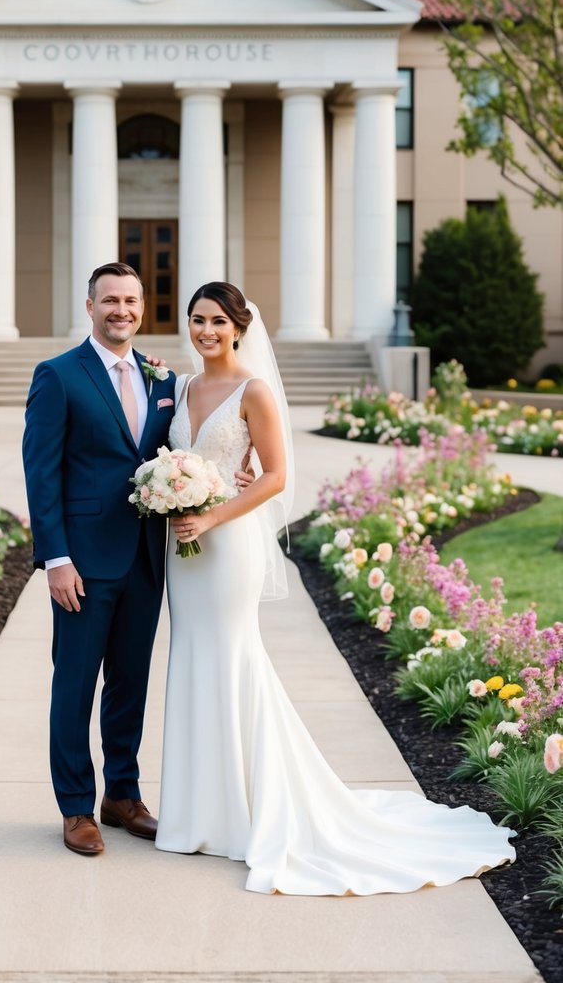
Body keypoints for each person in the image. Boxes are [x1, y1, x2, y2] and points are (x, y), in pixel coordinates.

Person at [155, 280, 516, 895]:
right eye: (197, 319)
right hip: (183, 551)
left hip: (227, 545)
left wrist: (212, 514)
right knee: (191, 661)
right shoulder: (180, 387)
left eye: (217, 320)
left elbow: (274, 478)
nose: (206, 331)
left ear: (239, 326)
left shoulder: (255, 391)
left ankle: (245, 817)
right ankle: (196, 816)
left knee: (232, 659)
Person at [22, 262, 177, 856]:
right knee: (76, 685)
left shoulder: (160, 377)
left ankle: (123, 796)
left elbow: (176, 452)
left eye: (131, 301)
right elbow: (42, 473)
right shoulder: (59, 375)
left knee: (130, 684)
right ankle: (75, 808)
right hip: (83, 564)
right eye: (110, 300)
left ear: (142, 307)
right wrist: (55, 558)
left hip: (145, 558)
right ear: (90, 306)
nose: (122, 311)